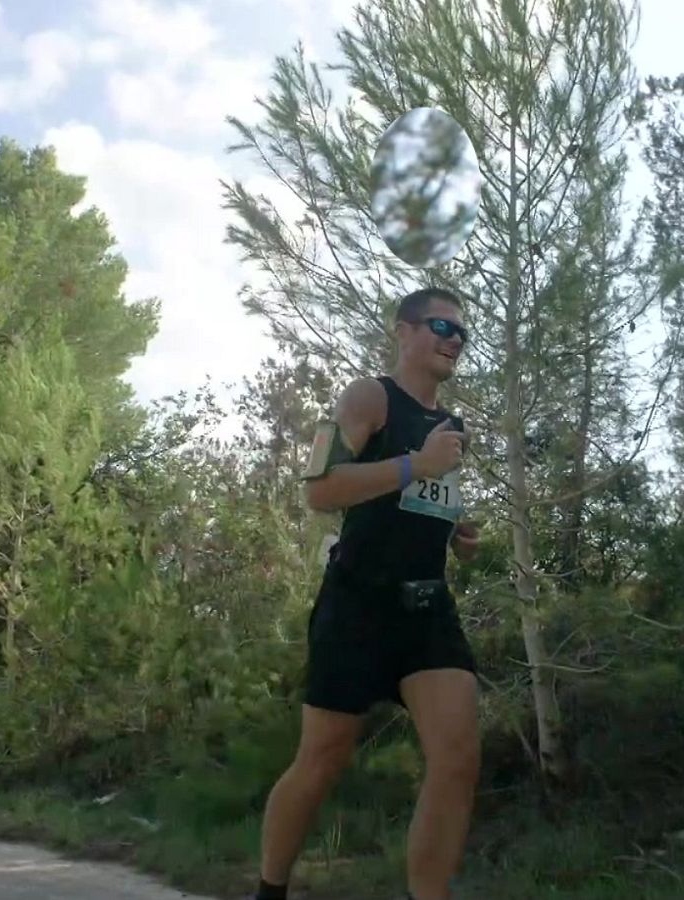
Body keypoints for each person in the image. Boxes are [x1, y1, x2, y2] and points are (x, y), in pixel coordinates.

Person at [254, 288, 483, 900]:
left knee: (458, 757)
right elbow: (319, 489)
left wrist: (454, 528)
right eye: (442, 326)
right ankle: (270, 890)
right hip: (357, 605)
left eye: (462, 333)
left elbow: (417, 501)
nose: (455, 340)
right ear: (403, 331)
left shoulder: (453, 429)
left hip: (426, 609)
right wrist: (417, 465)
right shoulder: (367, 397)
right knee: (321, 760)